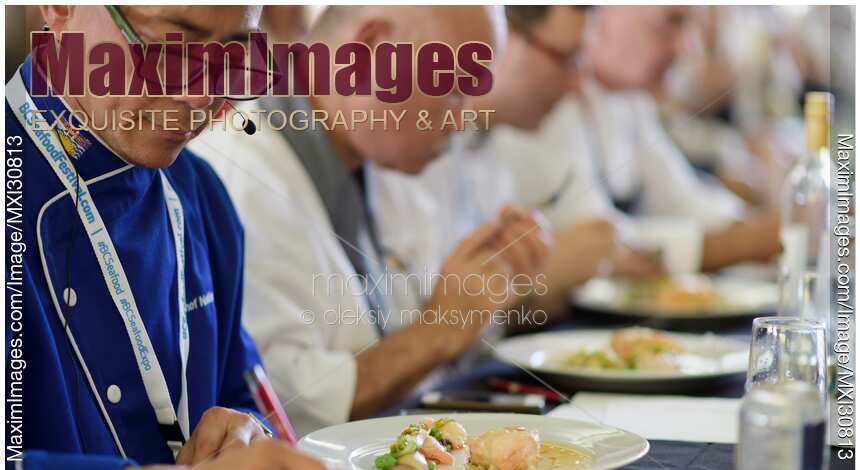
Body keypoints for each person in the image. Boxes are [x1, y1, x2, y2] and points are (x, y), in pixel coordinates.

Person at [7, 5, 337, 470]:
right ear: (56, 9)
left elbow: (246, 397)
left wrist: (245, 436)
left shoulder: (202, 197)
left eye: (232, 57)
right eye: (171, 46)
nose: (200, 97)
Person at [193, 5, 551, 436]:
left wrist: (487, 283)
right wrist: (439, 330)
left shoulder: (378, 153)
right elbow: (281, 408)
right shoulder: (238, 175)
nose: (462, 118)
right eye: (454, 89)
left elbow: (408, 323)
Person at [370, 5, 654, 323]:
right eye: (567, 60)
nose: (577, 86)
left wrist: (531, 288)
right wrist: (525, 281)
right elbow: (402, 327)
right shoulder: (402, 142)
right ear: (501, 36)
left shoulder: (494, 142)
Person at [495, 5, 782, 275]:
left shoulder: (627, 101)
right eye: (671, 23)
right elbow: (602, 245)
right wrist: (765, 238)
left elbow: (683, 200)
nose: (687, 48)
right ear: (607, 13)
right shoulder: (538, 104)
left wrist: (760, 227)